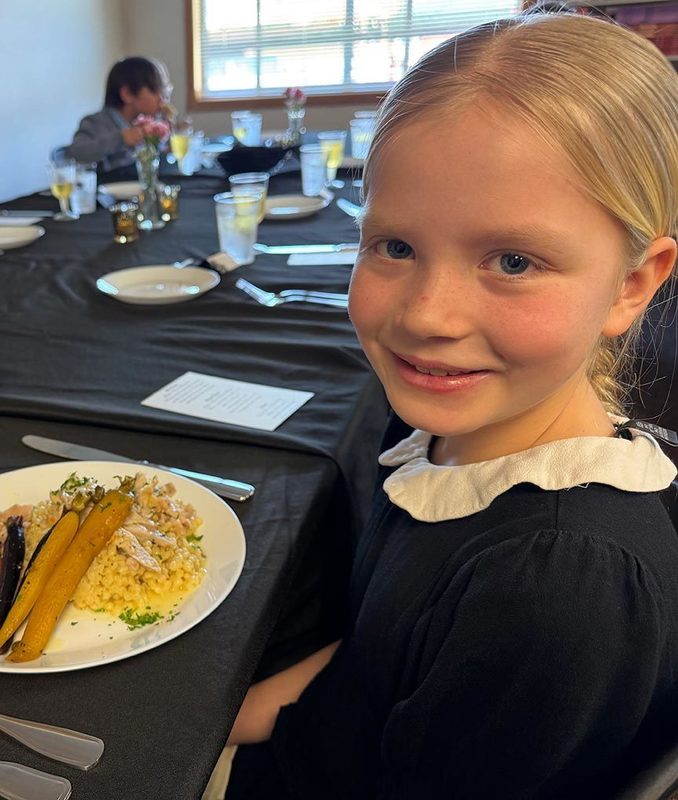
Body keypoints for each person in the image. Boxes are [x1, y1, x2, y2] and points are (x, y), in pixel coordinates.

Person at [222, 8, 678, 799]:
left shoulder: (553, 590)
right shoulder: (451, 432)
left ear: (632, 284)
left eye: (512, 260)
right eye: (394, 246)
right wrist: (221, 714)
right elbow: (374, 652)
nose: (427, 316)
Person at [66, 56, 172, 174]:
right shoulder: (96, 123)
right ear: (127, 94)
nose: (162, 99)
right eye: (154, 91)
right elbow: (77, 152)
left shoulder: (145, 124)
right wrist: (121, 138)